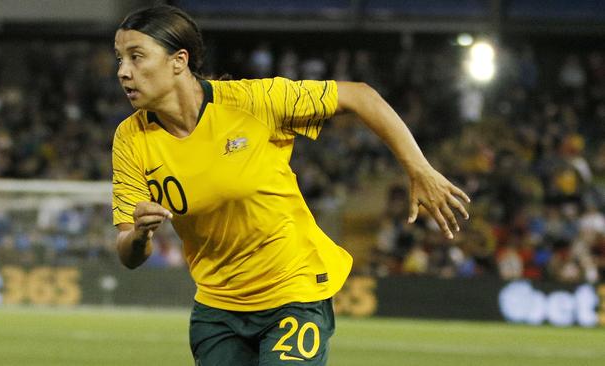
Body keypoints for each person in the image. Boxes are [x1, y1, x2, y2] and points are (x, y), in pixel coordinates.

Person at [111, 5, 470, 366]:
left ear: (179, 60)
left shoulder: (253, 102)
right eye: (120, 59)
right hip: (218, 311)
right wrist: (141, 235)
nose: (123, 72)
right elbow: (128, 253)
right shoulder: (130, 139)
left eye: (136, 56)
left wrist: (419, 169)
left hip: (293, 293)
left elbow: (360, 95)